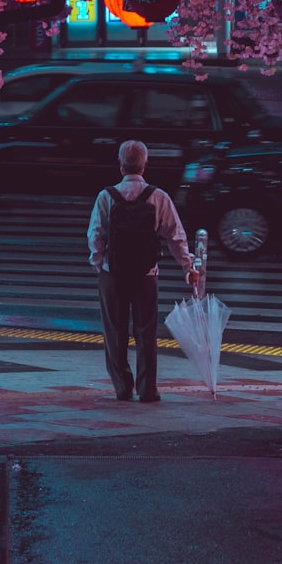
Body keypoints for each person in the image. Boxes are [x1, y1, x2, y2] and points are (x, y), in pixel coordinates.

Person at [87, 140, 199, 402]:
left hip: (112, 273)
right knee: (145, 331)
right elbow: (176, 236)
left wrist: (100, 263)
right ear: (145, 163)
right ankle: (148, 388)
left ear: (120, 163)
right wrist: (188, 266)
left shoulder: (106, 196)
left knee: (115, 330)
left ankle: (122, 387)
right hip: (146, 275)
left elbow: (95, 235)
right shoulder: (158, 196)